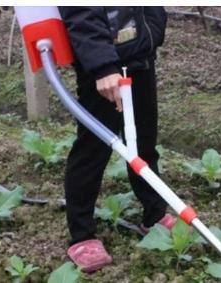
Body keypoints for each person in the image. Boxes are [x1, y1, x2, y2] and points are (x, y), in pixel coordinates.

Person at [58, 7, 175, 272]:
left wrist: (151, 35)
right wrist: (102, 66)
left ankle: (154, 214)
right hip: (106, 68)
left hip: (140, 56)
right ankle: (83, 235)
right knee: (93, 149)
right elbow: (81, 11)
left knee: (144, 143)